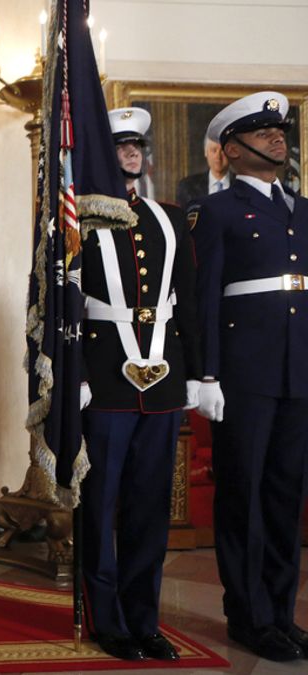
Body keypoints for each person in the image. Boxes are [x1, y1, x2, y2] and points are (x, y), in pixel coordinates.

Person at [77, 107, 201, 662]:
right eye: (119, 145)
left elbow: (189, 302)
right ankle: (108, 621)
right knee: (101, 504)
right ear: (102, 154)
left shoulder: (170, 218)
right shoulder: (76, 219)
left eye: (136, 145)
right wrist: (71, 372)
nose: (130, 153)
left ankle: (144, 619)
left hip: (164, 379)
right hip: (104, 378)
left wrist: (199, 373)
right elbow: (57, 302)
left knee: (150, 507)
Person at [192, 91, 308, 662]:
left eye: (279, 131)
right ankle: (247, 614)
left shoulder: (304, 209)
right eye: (262, 134)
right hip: (245, 370)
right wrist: (206, 373)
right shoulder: (214, 212)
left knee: (287, 496)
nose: (276, 138)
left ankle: (281, 615)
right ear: (232, 152)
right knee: (244, 495)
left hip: (299, 370)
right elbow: (205, 297)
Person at [175, 134, 232, 208]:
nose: (218, 156)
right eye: (214, 150)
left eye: (222, 151)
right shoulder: (187, 187)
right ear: (206, 152)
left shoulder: (243, 186)